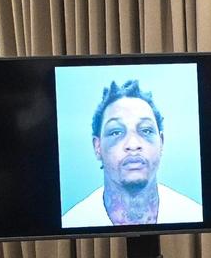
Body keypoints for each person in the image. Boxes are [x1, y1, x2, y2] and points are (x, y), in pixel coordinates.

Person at [61, 79, 203, 227]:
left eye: (146, 130)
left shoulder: (193, 214)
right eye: (116, 132)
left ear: (161, 142)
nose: (133, 145)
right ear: (97, 147)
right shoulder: (73, 221)